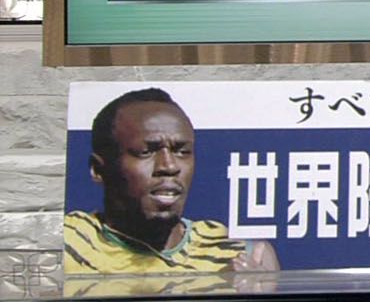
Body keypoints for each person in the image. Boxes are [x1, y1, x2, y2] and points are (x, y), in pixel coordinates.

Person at [63, 88, 280, 273]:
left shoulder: (244, 258)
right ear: (98, 169)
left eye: (181, 151)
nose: (168, 166)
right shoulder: (68, 245)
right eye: (146, 152)